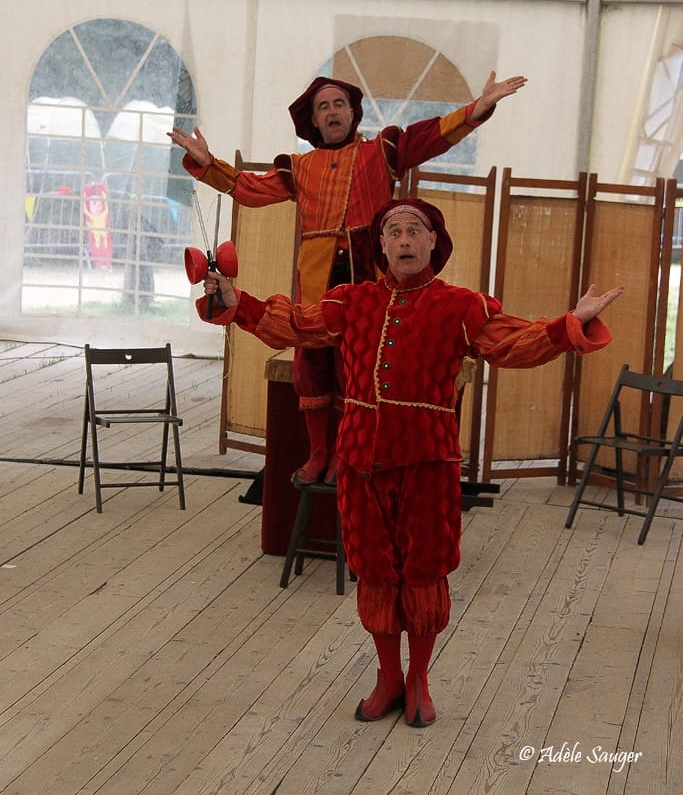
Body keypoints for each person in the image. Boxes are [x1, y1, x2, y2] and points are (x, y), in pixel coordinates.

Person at [194, 197, 623, 728]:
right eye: (393, 231)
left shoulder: (461, 306)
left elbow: (513, 343)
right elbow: (295, 325)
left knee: (422, 571)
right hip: (359, 460)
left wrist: (568, 325)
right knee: (374, 569)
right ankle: (387, 677)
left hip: (428, 462)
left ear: (432, 244)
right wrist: (237, 301)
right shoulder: (351, 301)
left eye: (414, 230)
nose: (403, 240)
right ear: (380, 246)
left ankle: (419, 677)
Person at [170, 72, 527, 486]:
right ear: (314, 121)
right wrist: (207, 163)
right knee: (311, 362)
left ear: (353, 113)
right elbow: (251, 189)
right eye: (323, 106)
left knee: (356, 367)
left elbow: (429, 137)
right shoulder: (300, 167)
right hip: (318, 278)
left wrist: (476, 110)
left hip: (368, 279)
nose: (332, 111)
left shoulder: (381, 151)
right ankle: (319, 450)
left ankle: (344, 450)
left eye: (339, 103)